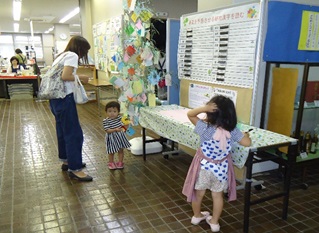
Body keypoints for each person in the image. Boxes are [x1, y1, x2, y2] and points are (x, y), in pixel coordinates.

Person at [182, 95, 251, 232]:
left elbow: (190, 114)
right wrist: (246, 135)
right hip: (220, 169)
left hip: (203, 168)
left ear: (211, 112)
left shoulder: (205, 128)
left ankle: (196, 216)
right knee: (217, 196)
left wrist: (204, 108)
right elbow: (247, 143)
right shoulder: (232, 131)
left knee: (199, 193)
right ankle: (214, 222)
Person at [49, 36, 93, 182]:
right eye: (85, 51)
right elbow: (66, 76)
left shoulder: (60, 56)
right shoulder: (72, 55)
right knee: (74, 134)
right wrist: (81, 78)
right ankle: (75, 169)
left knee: (62, 130)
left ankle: (67, 161)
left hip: (55, 99)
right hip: (64, 98)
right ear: (80, 49)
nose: (83, 55)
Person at [103, 101, 131, 170]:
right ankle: (111, 162)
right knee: (111, 151)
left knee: (121, 150)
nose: (112, 113)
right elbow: (107, 130)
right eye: (109, 111)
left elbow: (126, 125)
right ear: (106, 112)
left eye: (114, 111)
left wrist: (125, 126)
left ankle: (120, 162)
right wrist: (115, 129)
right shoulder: (105, 121)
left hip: (120, 137)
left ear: (118, 112)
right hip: (111, 138)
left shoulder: (120, 118)